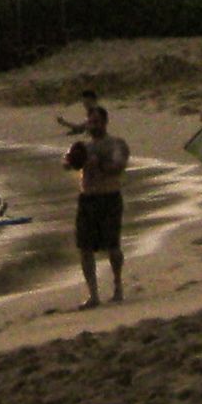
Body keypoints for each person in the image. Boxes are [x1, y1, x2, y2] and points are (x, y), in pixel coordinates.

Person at [67, 100, 130, 308]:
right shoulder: (83, 147)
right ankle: (93, 294)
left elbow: (118, 166)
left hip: (109, 197)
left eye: (96, 122)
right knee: (84, 247)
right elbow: (66, 163)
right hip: (87, 199)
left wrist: (100, 164)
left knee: (113, 246)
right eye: (90, 122)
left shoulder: (116, 144)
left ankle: (118, 286)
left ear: (105, 122)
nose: (92, 126)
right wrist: (73, 160)